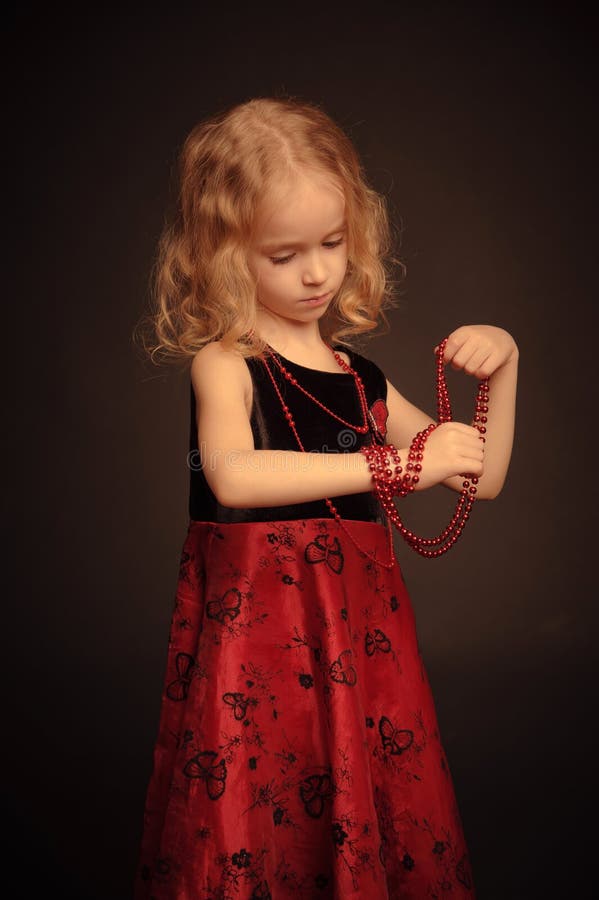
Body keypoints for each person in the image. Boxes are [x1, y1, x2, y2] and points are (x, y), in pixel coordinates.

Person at [132, 96, 518, 900]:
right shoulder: (226, 364)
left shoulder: (358, 378)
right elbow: (234, 474)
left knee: (363, 782)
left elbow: (481, 479)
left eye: (332, 244)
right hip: (263, 635)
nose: (315, 272)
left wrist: (503, 374)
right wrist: (392, 467)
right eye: (283, 254)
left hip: (359, 632)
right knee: (261, 787)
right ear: (223, 253)